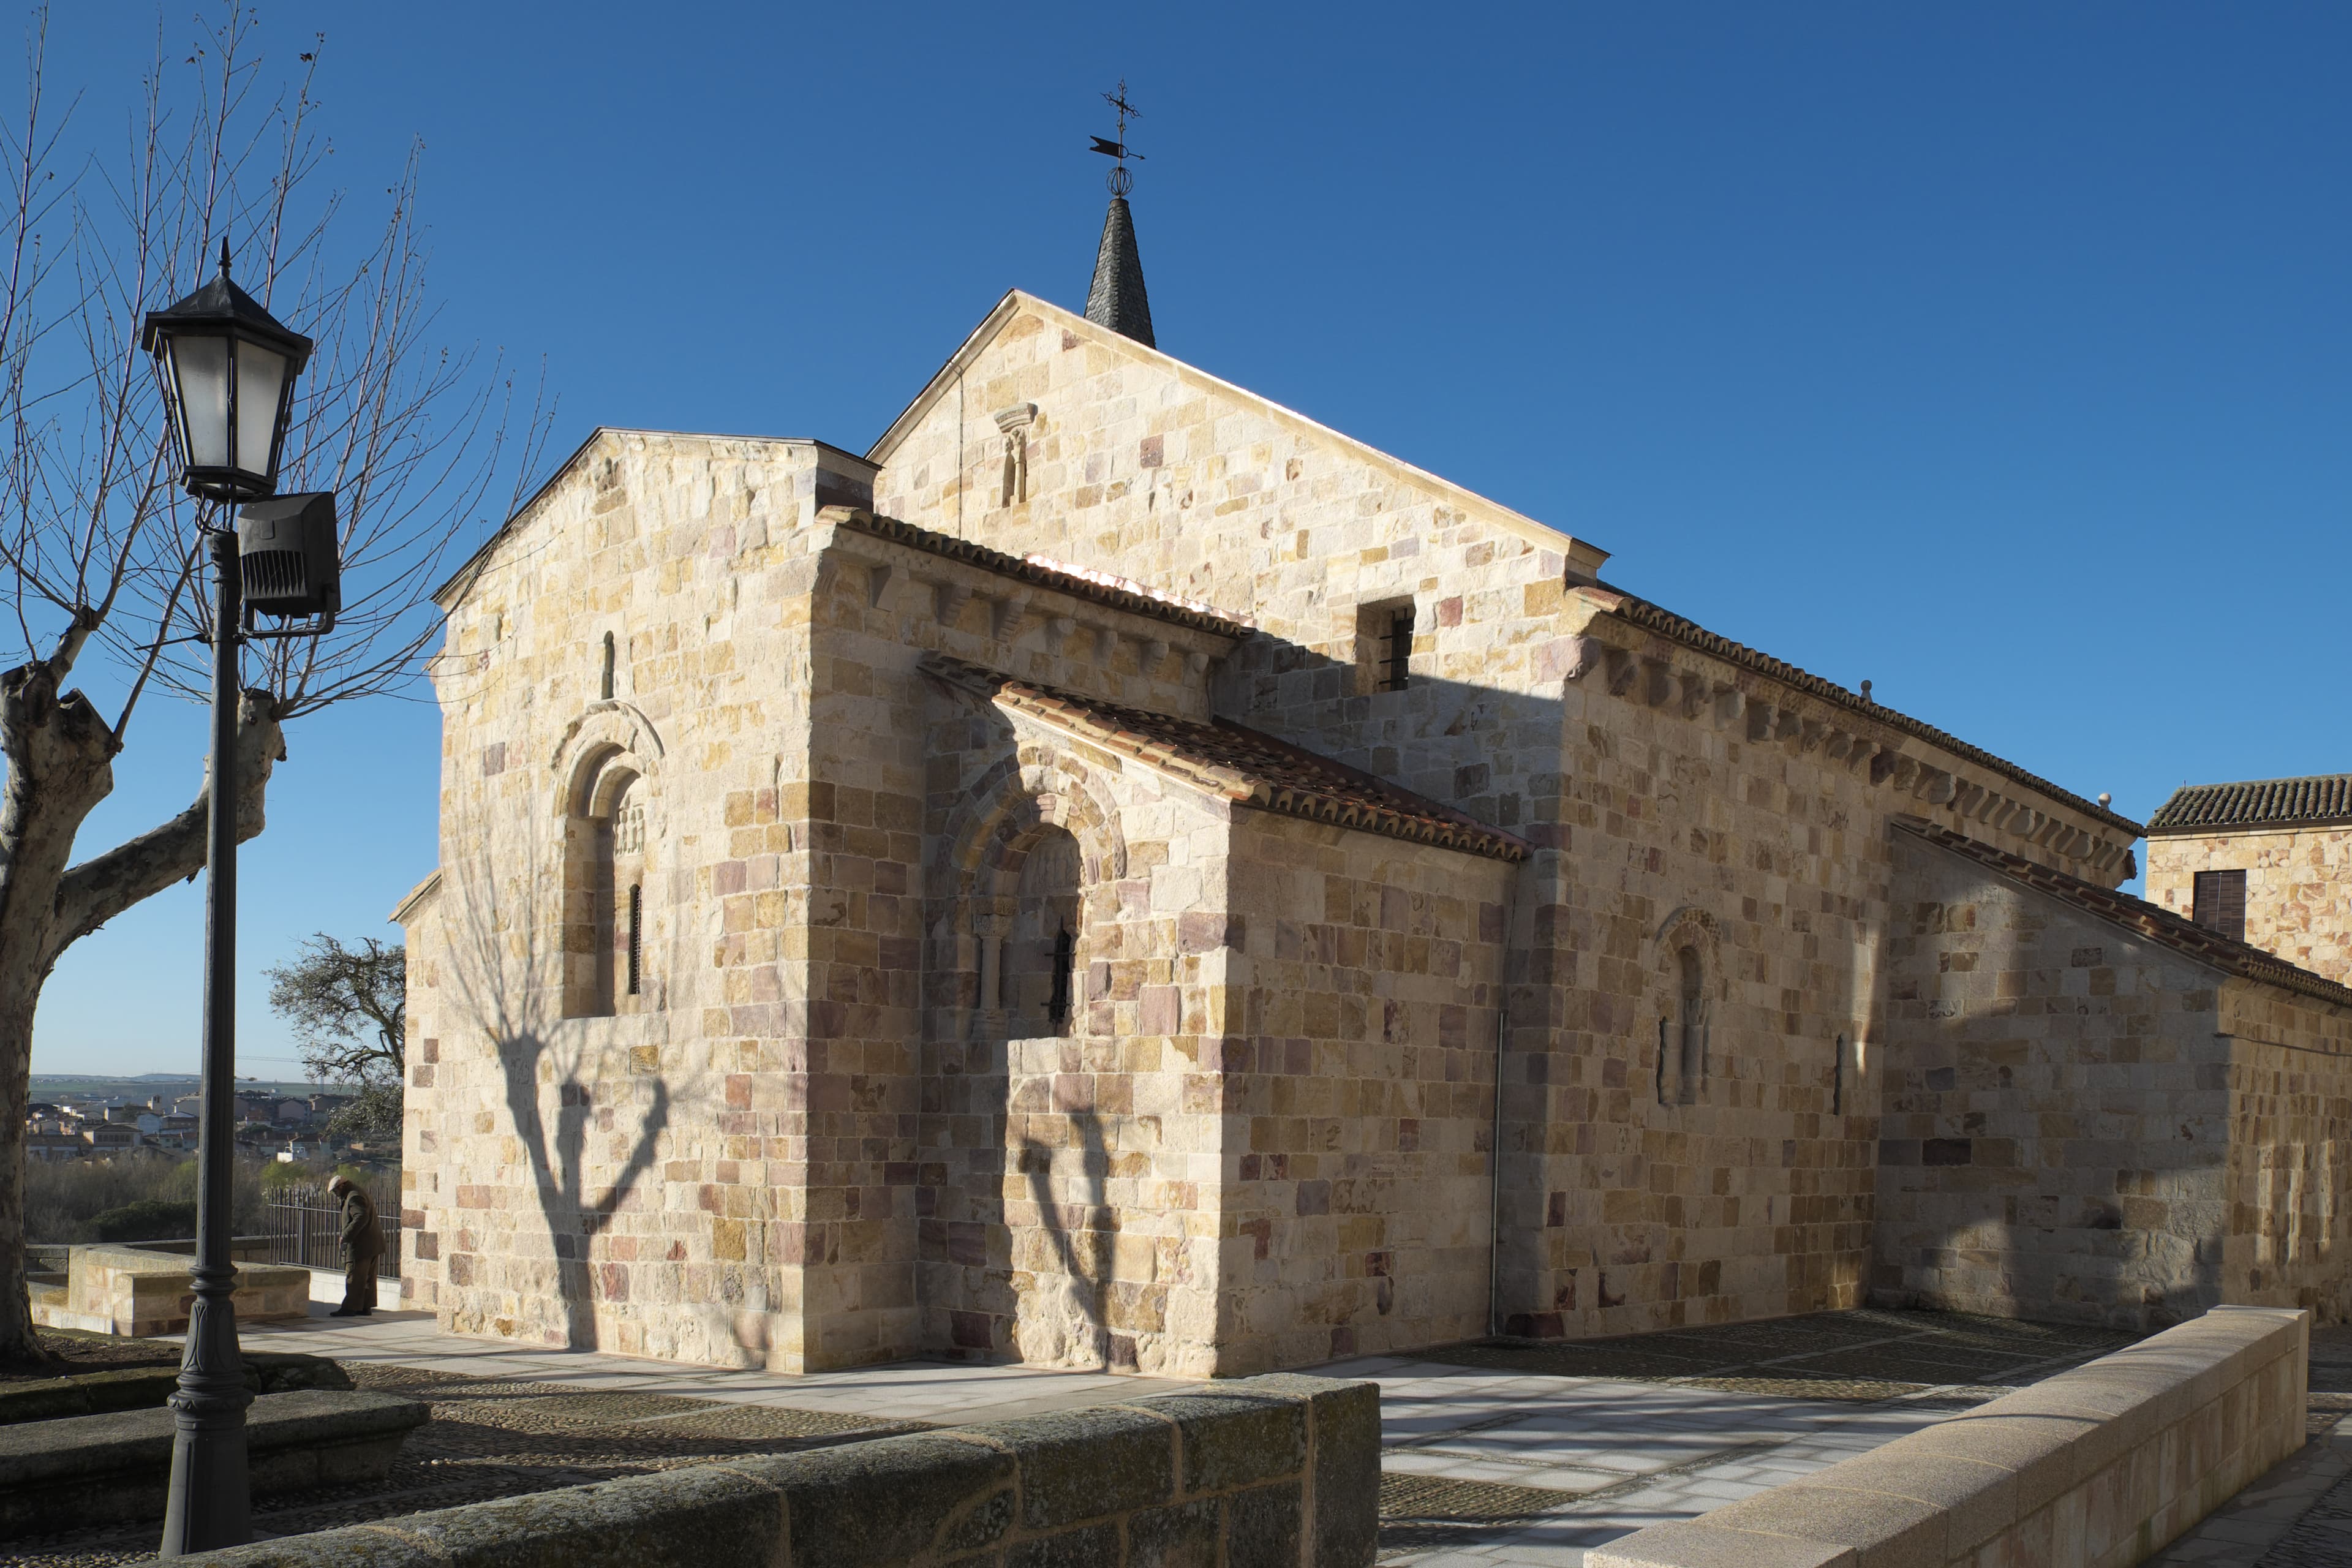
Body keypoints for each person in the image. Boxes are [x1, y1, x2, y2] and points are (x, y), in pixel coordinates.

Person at [326, 1175, 382, 1317]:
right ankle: (364, 1307)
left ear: (342, 1186)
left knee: (354, 1276)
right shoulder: (358, 1193)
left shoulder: (354, 1197)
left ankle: (350, 1308)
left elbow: (361, 1217)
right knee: (368, 1278)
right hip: (372, 1243)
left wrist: (346, 1235)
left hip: (361, 1245)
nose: (335, 1194)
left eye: (335, 1191)